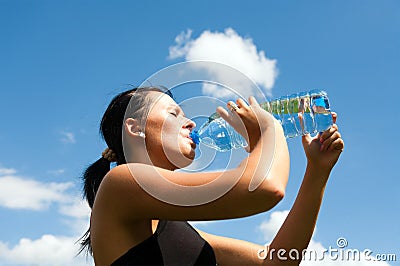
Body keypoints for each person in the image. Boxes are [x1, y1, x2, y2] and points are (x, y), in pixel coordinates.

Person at [79, 86, 344, 265]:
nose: (191, 122)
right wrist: (269, 129)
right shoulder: (119, 185)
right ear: (135, 128)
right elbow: (265, 188)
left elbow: (276, 261)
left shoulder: (178, 231)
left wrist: (317, 171)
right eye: (174, 113)